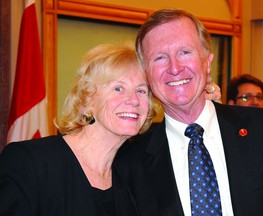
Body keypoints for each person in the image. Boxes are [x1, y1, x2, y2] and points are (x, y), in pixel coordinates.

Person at [0, 42, 220, 216]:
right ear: (87, 99)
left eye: (142, 91)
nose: (133, 100)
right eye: (118, 88)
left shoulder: (132, 170)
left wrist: (197, 101)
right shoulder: (30, 162)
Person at [115, 9, 263, 216]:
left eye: (185, 52)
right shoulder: (129, 161)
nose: (175, 68)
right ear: (146, 74)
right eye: (160, 57)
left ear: (207, 61)